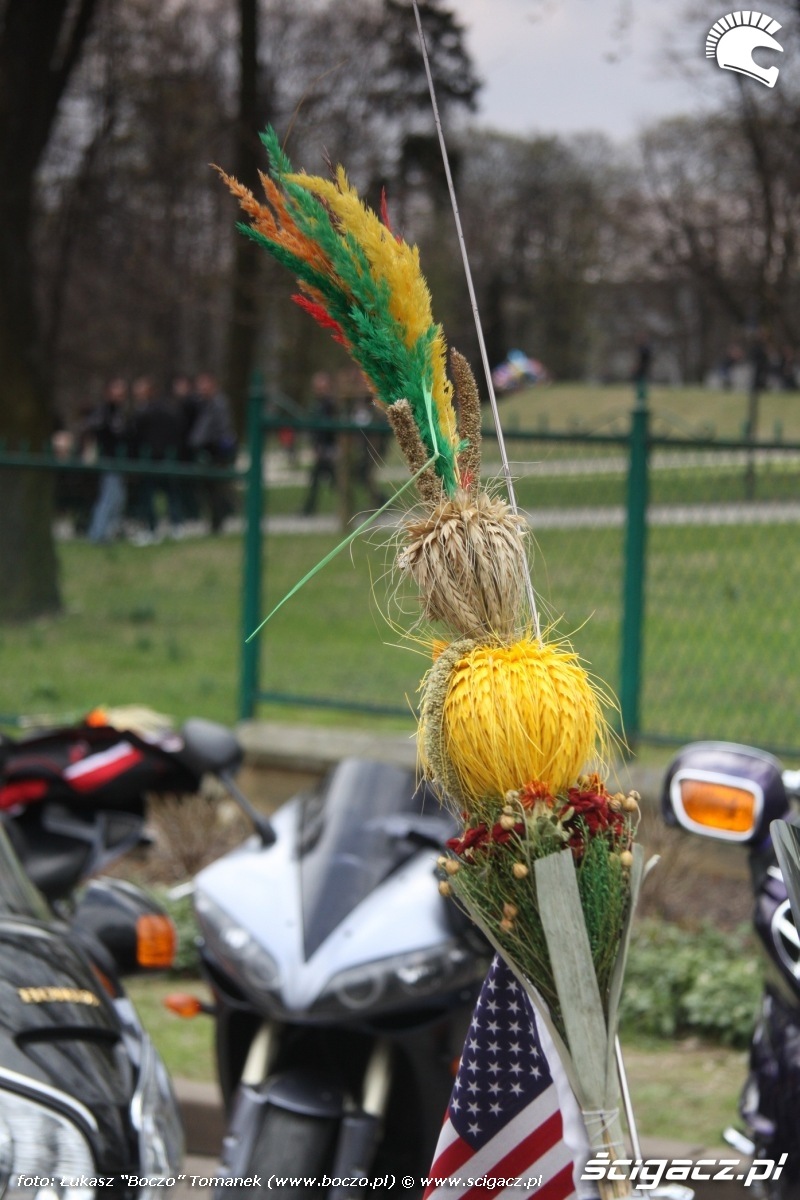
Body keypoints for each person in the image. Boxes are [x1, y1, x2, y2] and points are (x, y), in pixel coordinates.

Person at [130, 375, 185, 543]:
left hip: (152, 457)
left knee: (151, 495)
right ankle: (175, 526)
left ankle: (153, 528)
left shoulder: (144, 412)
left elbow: (134, 434)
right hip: (164, 456)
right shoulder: (167, 409)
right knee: (169, 493)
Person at [188, 372, 238, 532]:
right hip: (207, 449)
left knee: (217, 488)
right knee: (209, 489)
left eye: (204, 385)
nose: (201, 389)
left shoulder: (218, 404)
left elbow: (219, 429)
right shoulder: (203, 404)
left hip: (216, 451)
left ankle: (219, 519)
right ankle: (217, 518)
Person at [85, 377, 130, 544]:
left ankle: (107, 532)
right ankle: (98, 534)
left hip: (117, 459)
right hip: (108, 459)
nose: (120, 396)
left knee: (117, 498)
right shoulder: (104, 412)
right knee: (109, 497)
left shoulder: (119, 413)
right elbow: (94, 429)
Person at [302, 371, 338, 515]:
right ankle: (309, 508)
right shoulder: (317, 405)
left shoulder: (331, 405)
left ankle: (309, 508)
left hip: (329, 450)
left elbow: (331, 430)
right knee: (318, 479)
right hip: (322, 449)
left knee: (332, 480)